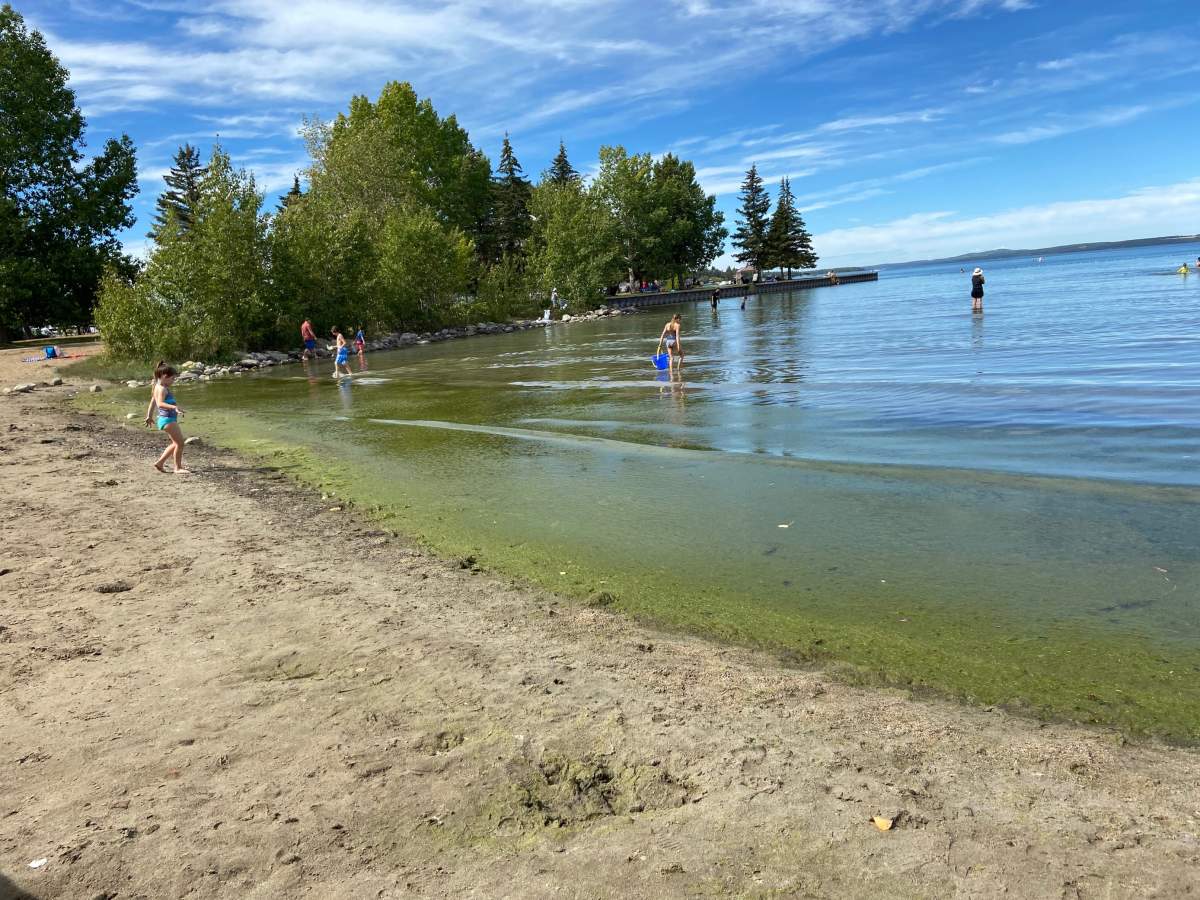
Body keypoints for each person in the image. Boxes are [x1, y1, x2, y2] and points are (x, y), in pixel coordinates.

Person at [149, 361, 190, 474]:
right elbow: (160, 403)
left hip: (165, 419)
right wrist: (174, 407)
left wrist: (149, 416)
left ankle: (160, 463)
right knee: (180, 443)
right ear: (164, 376)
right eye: (172, 379)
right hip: (168, 420)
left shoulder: (157, 386)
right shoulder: (162, 389)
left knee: (175, 443)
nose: (173, 381)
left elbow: (153, 402)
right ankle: (177, 468)